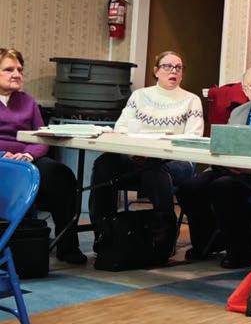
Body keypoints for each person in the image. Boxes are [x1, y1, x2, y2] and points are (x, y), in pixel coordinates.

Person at [176, 67, 251, 267]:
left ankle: (240, 250)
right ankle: (207, 241)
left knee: (223, 187)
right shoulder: (238, 112)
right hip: (231, 168)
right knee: (189, 187)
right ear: (245, 90)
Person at [88, 51, 204, 247]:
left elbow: (193, 137)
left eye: (178, 67)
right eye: (167, 66)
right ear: (156, 71)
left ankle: (164, 238)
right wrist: (135, 153)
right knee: (104, 163)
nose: (173, 71)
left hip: (175, 161)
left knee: (155, 171)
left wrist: (156, 153)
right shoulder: (139, 96)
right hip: (136, 157)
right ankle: (104, 231)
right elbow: (121, 128)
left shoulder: (191, 100)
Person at [0, 48, 86, 264]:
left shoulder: (28, 102)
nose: (16, 74)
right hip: (2, 160)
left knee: (62, 175)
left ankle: (67, 246)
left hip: (26, 159)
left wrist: (28, 155)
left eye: (20, 70)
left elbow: (41, 138)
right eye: (9, 69)